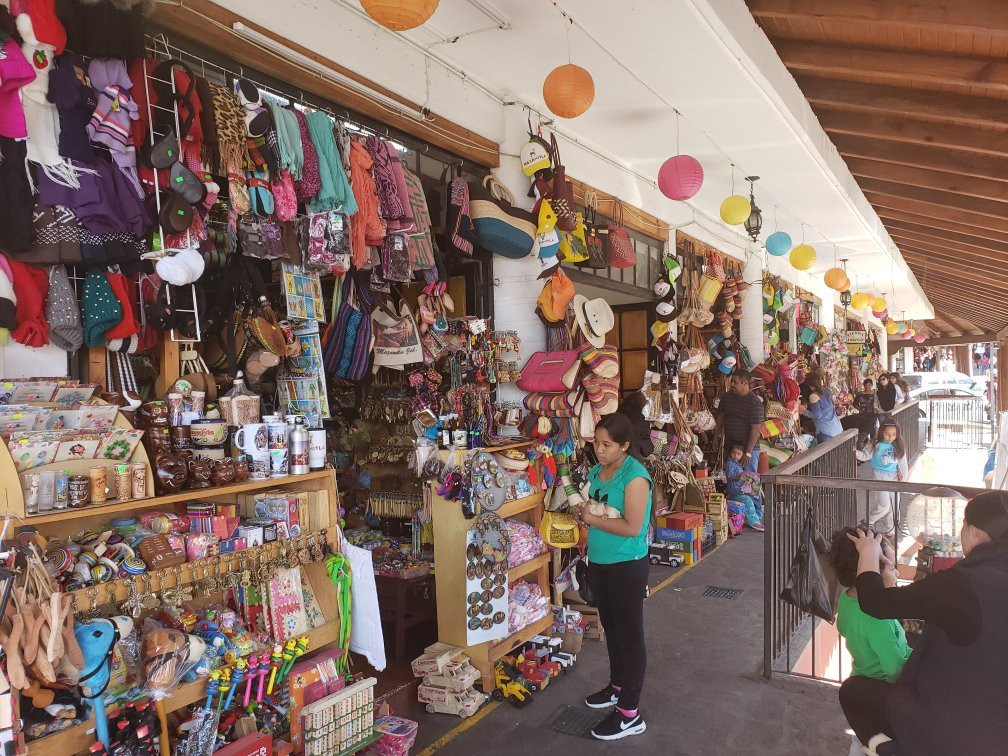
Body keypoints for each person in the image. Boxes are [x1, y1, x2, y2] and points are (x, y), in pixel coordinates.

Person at [839, 492, 1008, 755]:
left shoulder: (962, 585)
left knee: (852, 692)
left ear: (974, 532)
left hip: (958, 729)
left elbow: (875, 602)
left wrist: (869, 552)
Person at [575, 411, 652, 740]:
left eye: (607, 445)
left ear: (624, 445)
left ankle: (629, 714)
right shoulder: (597, 470)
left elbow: (632, 527)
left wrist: (590, 520)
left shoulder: (635, 477)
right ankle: (616, 686)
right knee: (612, 629)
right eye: (596, 443)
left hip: (627, 565)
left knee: (630, 636)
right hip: (601, 563)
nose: (600, 450)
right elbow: (591, 506)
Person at [829, 529, 911, 682]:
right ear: (871, 574)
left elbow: (843, 628)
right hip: (885, 686)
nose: (897, 573)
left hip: (860, 676)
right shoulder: (878, 619)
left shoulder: (846, 598)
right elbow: (895, 670)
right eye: (892, 568)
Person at [855, 419, 908, 535]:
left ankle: (891, 532)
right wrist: (856, 453)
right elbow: (865, 455)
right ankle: (868, 521)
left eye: (894, 434)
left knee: (895, 506)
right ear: (881, 432)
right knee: (884, 505)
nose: (890, 437)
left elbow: (903, 462)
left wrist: (903, 477)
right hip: (880, 477)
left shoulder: (898, 445)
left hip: (894, 478)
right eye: (887, 434)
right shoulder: (875, 444)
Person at [714, 369, 764, 467]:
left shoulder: (754, 403)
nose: (732, 384)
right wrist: (716, 436)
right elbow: (721, 417)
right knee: (732, 479)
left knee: (748, 480)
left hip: (747, 450)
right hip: (730, 448)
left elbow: (756, 429)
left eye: (735, 382)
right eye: (731, 381)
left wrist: (748, 453)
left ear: (745, 383)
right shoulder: (726, 397)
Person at [725, 443, 764, 531]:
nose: (735, 455)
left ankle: (757, 518)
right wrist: (741, 476)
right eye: (733, 453)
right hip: (735, 491)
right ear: (730, 453)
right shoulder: (730, 463)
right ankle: (754, 522)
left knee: (756, 491)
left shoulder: (738, 463)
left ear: (742, 455)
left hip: (740, 489)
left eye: (738, 454)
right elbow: (730, 476)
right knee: (748, 499)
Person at [615, 391, 654, 459]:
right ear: (642, 406)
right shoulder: (642, 423)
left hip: (612, 454)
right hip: (628, 459)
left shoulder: (614, 415)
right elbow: (646, 451)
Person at [845, 378, 880, 444]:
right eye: (866, 385)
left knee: (872, 428)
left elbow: (878, 403)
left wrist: (877, 409)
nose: (867, 387)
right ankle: (864, 443)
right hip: (862, 414)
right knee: (863, 429)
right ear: (864, 385)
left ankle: (873, 443)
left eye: (869, 385)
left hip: (872, 414)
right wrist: (859, 409)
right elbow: (854, 403)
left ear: (871, 385)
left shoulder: (875, 393)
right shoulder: (860, 394)